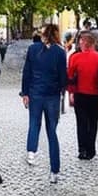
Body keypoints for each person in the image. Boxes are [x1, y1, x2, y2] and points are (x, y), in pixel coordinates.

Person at [20, 24, 67, 183]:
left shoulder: (33, 50)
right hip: (52, 95)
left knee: (34, 123)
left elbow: (27, 72)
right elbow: (63, 77)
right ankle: (55, 170)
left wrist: (25, 92)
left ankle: (31, 151)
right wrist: (62, 91)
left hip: (35, 93)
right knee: (52, 132)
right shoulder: (60, 52)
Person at [67, 32, 98, 160]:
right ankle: (91, 149)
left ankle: (82, 149)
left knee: (81, 123)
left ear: (83, 43)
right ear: (93, 44)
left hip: (80, 94)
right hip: (95, 94)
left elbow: (70, 77)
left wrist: (71, 93)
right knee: (92, 122)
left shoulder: (75, 58)